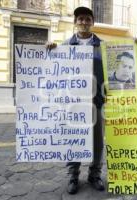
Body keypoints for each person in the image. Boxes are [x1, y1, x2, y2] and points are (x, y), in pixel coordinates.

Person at [46, 6, 105, 194]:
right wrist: (50, 50)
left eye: (88, 19)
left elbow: (115, 64)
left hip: (96, 103)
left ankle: (94, 175)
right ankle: (73, 176)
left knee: (97, 143)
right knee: (74, 140)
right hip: (73, 104)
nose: (84, 22)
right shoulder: (64, 45)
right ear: (75, 23)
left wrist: (133, 45)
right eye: (80, 19)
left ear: (92, 23)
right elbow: (52, 69)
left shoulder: (103, 46)